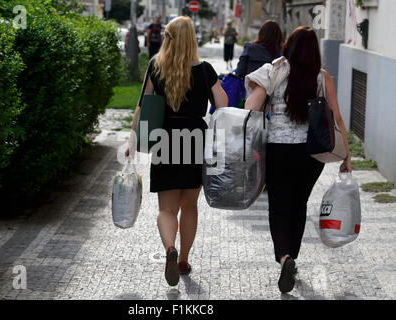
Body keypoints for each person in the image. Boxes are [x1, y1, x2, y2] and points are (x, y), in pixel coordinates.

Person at [244, 26, 352, 293]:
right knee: (299, 203)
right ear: (315, 50)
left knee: (278, 207)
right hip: (311, 153)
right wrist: (346, 155)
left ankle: (284, 257)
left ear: (288, 47)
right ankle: (293, 255)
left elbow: (251, 108)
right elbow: (337, 118)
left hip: (278, 150)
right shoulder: (322, 77)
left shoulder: (275, 71)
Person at [125, 16, 228, 286]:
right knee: (190, 205)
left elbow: (143, 106)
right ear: (192, 39)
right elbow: (223, 102)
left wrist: (132, 139)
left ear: (167, 37)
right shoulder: (205, 70)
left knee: (167, 209)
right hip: (195, 139)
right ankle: (182, 259)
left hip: (165, 139)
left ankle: (169, 248)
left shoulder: (156, 66)